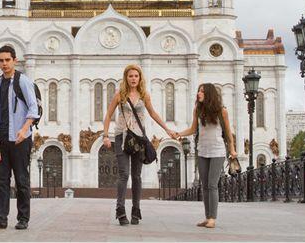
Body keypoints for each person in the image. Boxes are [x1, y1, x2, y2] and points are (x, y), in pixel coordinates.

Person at [102, 64, 177, 226]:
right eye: (130, 76)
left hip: (139, 139)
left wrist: (167, 129)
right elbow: (108, 115)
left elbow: (153, 113)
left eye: (136, 76)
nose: (133, 79)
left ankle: (136, 210)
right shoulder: (119, 95)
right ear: (126, 78)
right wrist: (105, 135)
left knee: (136, 176)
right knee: (124, 174)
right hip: (122, 137)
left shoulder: (145, 95)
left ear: (140, 78)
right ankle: (120, 210)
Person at [0, 45, 39, 230]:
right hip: (2, 140)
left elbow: (33, 108)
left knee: (21, 179)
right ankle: (0, 218)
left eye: (7, 60)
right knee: (1, 179)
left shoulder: (23, 81)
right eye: (1, 60)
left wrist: (24, 129)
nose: (4, 64)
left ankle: (23, 218)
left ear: (14, 61)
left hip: (20, 139)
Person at [174, 83, 237, 229]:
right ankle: (208, 216)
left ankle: (213, 218)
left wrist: (232, 150)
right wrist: (179, 134)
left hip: (217, 151)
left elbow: (228, 133)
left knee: (212, 184)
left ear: (209, 94)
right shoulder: (198, 110)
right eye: (198, 91)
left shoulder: (222, 111)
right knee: (204, 186)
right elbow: (193, 128)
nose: (198, 93)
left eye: (202, 91)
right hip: (202, 150)